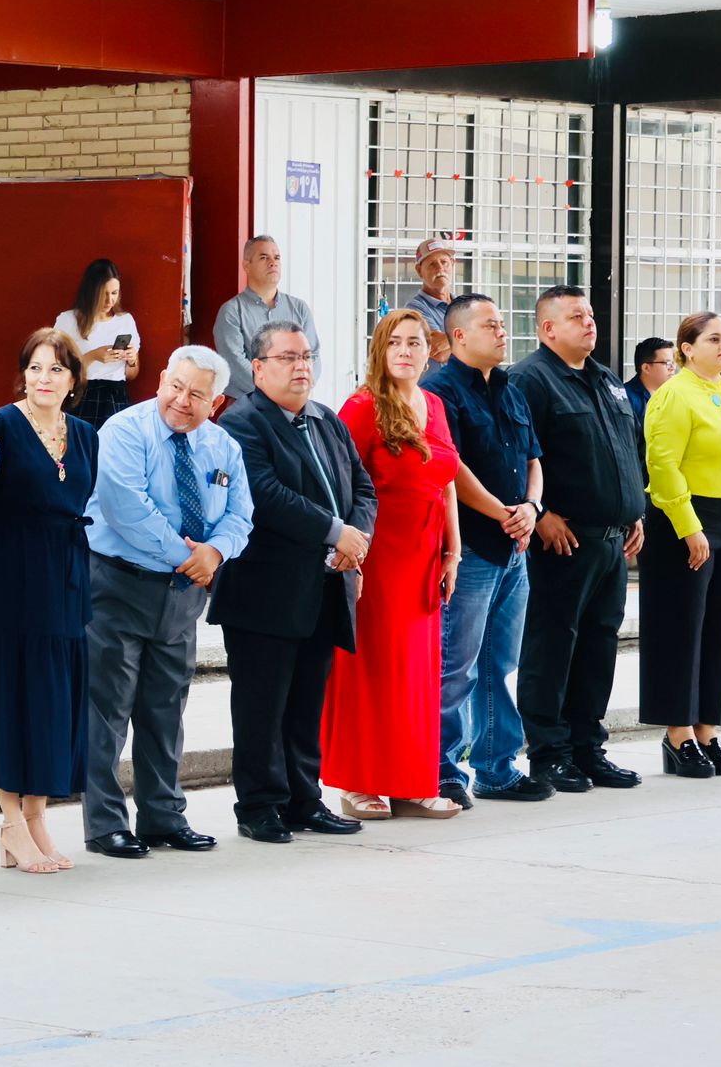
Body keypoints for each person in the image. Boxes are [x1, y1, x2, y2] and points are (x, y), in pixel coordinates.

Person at [80, 347, 251, 859]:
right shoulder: (124, 431)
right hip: (117, 584)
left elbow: (241, 513)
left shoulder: (223, 446)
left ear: (215, 401)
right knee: (106, 709)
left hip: (181, 597)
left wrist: (217, 552)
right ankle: (105, 823)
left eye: (197, 393)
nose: (182, 399)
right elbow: (126, 507)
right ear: (161, 380)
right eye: (176, 386)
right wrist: (190, 557)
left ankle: (163, 817)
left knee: (165, 710)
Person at [208, 321, 376, 843]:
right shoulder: (243, 422)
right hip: (264, 591)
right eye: (287, 358)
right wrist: (336, 533)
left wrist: (357, 537)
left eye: (307, 356)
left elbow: (363, 486)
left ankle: (305, 800)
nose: (302, 366)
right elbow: (265, 494)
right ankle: (259, 805)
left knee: (306, 704)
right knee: (262, 707)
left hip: (325, 585)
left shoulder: (326, 419)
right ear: (257, 368)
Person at [0, 329, 96, 873]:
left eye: (56, 370)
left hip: (65, 571)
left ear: (73, 380)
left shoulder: (84, 434)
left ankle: (37, 817)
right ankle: (12, 822)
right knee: (12, 690)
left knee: (53, 694)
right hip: (11, 570)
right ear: (23, 373)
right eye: (35, 368)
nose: (44, 379)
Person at [320, 311, 463, 821]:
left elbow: (445, 480)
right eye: (394, 342)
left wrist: (453, 552)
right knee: (371, 669)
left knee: (417, 674)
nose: (405, 351)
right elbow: (339, 486)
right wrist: (350, 561)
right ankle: (360, 782)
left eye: (415, 342)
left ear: (430, 351)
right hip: (376, 557)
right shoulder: (362, 407)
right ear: (380, 351)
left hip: (424, 558)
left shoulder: (435, 404)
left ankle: (412, 780)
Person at [511, 285, 648, 794]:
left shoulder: (607, 380)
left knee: (597, 648)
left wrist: (635, 510)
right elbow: (520, 455)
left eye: (589, 314)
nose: (589, 322)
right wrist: (540, 513)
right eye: (576, 317)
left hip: (613, 542)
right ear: (548, 329)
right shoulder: (530, 380)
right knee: (552, 648)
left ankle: (589, 747)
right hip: (561, 542)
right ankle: (549, 754)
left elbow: (629, 449)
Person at [421, 295, 548, 805]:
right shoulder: (439, 390)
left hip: (515, 546)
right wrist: (502, 512)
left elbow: (535, 457)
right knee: (456, 665)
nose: (502, 332)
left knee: (500, 662)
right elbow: (449, 467)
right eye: (490, 325)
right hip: (470, 548)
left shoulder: (511, 388)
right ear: (458, 336)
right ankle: (442, 770)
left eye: (502, 324)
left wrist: (532, 510)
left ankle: (497, 766)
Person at [641, 311, 721, 778]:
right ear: (686, 348)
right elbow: (663, 463)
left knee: (718, 629)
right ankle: (678, 733)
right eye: (713, 338)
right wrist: (688, 525)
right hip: (687, 518)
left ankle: (707, 729)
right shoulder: (675, 394)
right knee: (681, 628)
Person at [212, 235, 320, 400]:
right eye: (264, 257)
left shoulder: (299, 308)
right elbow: (234, 362)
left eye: (276, 257)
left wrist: (298, 388)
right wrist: (275, 392)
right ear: (246, 265)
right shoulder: (232, 311)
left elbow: (313, 356)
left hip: (294, 406)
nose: (273, 262)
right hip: (248, 407)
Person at [55, 258, 141, 428]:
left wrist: (132, 359)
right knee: (81, 450)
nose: (109, 301)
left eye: (114, 293)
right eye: (103, 294)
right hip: (82, 393)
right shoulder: (68, 320)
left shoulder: (126, 320)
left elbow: (131, 374)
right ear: (91, 292)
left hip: (117, 394)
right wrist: (93, 356)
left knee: (115, 451)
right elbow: (56, 368)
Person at [406, 237, 456, 365]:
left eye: (444, 262)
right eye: (432, 264)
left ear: (453, 264)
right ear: (419, 271)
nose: (440, 269)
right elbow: (438, 351)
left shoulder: (463, 305)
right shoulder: (415, 309)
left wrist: (450, 341)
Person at [627, 337, 676, 425]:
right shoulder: (627, 399)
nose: (673, 368)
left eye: (673, 363)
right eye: (667, 363)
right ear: (646, 368)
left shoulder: (673, 395)